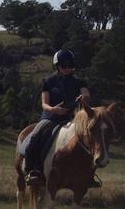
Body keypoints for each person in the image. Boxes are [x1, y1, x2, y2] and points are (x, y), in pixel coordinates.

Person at [21, 49, 96, 187]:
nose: (68, 69)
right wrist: (54, 109)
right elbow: (44, 104)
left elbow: (86, 94)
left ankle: (89, 174)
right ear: (57, 66)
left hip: (72, 119)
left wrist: (83, 98)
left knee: (91, 138)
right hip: (51, 117)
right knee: (35, 136)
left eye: (70, 66)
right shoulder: (49, 81)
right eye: (64, 66)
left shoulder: (79, 81)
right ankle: (32, 171)